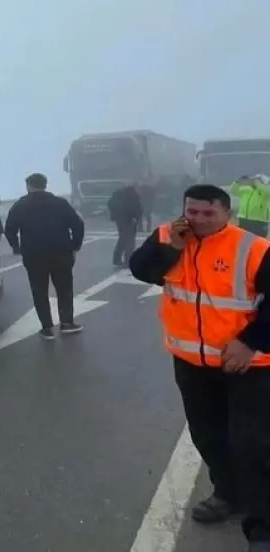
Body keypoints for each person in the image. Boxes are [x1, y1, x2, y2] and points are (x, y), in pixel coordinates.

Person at [129, 184, 270, 552]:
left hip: (247, 364)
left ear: (227, 213)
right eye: (193, 211)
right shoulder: (169, 236)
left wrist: (250, 341)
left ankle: (262, 528)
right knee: (208, 435)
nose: (199, 220)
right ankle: (228, 494)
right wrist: (171, 249)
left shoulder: (253, 248)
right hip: (192, 362)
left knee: (252, 443)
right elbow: (141, 270)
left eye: (209, 213)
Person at [4, 173, 85, 339]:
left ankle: (47, 328)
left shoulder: (20, 205)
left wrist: (17, 247)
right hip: (61, 252)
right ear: (45, 185)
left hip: (33, 255)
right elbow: (78, 225)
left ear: (29, 186)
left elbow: (9, 229)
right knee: (64, 288)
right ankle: (67, 323)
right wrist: (74, 246)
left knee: (39, 290)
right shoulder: (60, 203)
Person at [107, 182, 143, 268]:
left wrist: (114, 214)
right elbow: (137, 208)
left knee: (123, 238)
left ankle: (117, 258)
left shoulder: (117, 193)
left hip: (120, 219)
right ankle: (128, 260)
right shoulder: (133, 195)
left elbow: (110, 204)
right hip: (130, 220)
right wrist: (136, 217)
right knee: (130, 240)